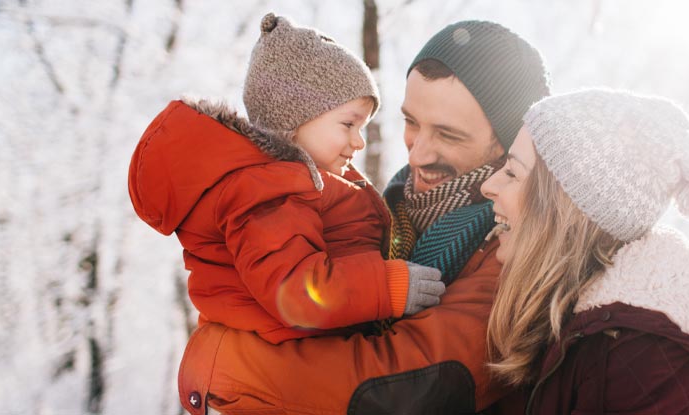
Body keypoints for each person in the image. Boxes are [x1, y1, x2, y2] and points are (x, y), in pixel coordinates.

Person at [171, 20, 552, 414]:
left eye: (449, 135)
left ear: (510, 145)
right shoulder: (388, 211)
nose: (418, 153)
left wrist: (222, 361)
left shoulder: (516, 247)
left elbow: (404, 390)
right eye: (411, 122)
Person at [128, 13, 446, 346]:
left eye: (362, 128)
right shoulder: (267, 194)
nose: (359, 142)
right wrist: (387, 286)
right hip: (285, 360)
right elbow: (295, 290)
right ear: (295, 120)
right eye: (348, 124)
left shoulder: (300, 182)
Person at [481, 89, 689, 414]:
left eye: (512, 172)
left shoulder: (647, 366)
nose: (488, 186)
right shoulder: (581, 325)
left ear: (565, 210)